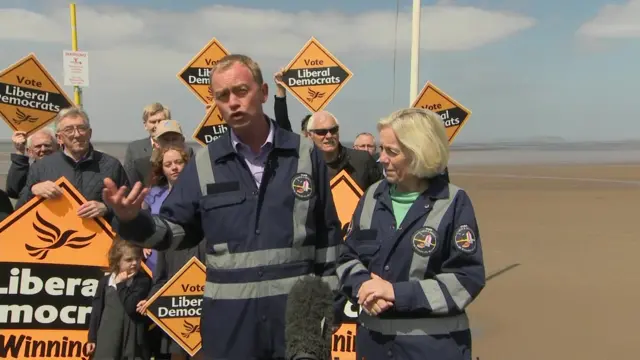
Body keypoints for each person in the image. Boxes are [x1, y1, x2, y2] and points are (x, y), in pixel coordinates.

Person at [102, 53, 341, 360]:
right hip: (229, 329)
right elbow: (176, 231)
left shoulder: (305, 155)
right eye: (223, 95)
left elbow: (329, 239)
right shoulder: (203, 163)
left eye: (242, 90)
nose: (233, 102)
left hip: (297, 326)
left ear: (264, 92)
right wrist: (133, 221)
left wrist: (327, 308)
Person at [336, 108, 485, 360]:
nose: (381, 158)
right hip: (373, 347)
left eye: (391, 152)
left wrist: (395, 293)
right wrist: (362, 285)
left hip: (433, 349)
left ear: (419, 153)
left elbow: (466, 279)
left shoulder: (453, 202)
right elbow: (347, 257)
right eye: (381, 149)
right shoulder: (372, 196)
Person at [135, 145, 205, 360]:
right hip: (175, 313)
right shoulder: (166, 232)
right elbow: (160, 278)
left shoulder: (206, 204)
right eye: (168, 164)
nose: (174, 168)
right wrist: (152, 299)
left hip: (207, 314)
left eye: (179, 162)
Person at [15, 107, 129, 222]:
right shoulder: (41, 166)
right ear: (59, 138)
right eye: (69, 130)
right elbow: (19, 211)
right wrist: (33, 190)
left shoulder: (111, 165)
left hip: (100, 237)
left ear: (89, 133)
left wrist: (106, 208)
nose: (77, 134)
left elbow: (130, 207)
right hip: (55, 236)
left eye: (82, 128)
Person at [87, 238, 152, 360]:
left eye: (137, 259)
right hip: (108, 335)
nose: (134, 263)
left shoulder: (142, 281)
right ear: (118, 261)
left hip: (132, 338)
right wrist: (92, 338)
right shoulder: (105, 282)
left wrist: (121, 285)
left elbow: (131, 306)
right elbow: (97, 311)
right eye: (128, 260)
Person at [306, 110, 383, 191]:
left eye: (333, 130)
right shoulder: (304, 166)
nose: (329, 136)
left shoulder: (362, 160)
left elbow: (381, 193)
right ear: (309, 135)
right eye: (322, 132)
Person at [124, 103, 171, 187]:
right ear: (145, 125)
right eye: (153, 122)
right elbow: (128, 182)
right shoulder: (134, 149)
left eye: (160, 121)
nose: (157, 125)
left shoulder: (183, 149)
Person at [6, 128, 58, 199]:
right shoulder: (30, 174)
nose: (43, 149)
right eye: (38, 146)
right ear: (30, 152)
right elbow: (14, 191)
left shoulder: (67, 167)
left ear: (57, 147)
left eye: (47, 145)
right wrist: (20, 151)